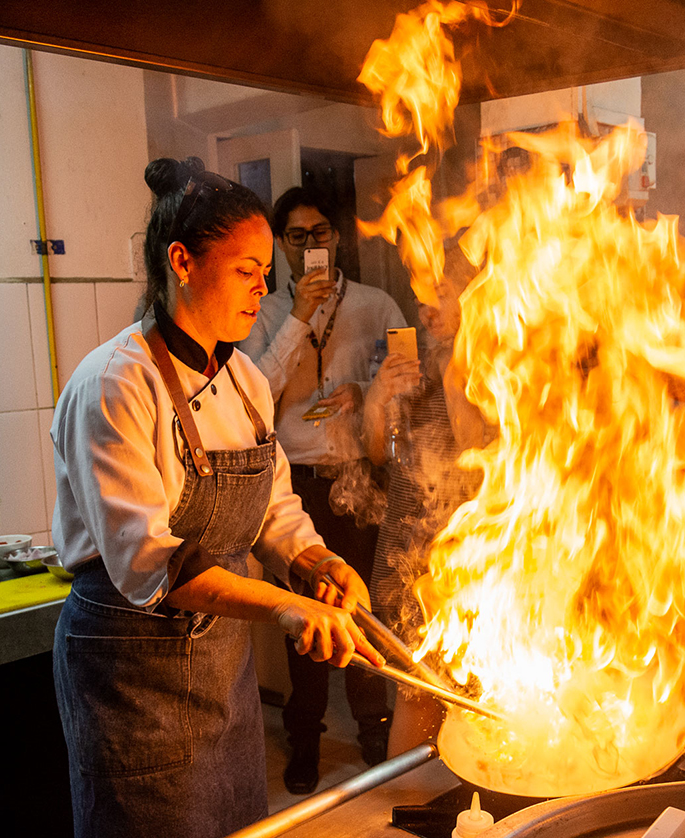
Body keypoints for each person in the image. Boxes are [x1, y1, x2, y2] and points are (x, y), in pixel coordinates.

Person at [49, 157, 383, 838]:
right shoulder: (116, 383)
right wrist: (287, 608)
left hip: (218, 667)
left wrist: (315, 564)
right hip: (132, 669)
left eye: (267, 270)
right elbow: (151, 565)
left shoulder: (245, 382)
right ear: (181, 261)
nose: (265, 287)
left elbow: (273, 509)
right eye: (246, 269)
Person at [238, 186, 407, 793]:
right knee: (306, 622)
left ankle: (372, 727)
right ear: (282, 245)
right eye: (297, 236)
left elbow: (404, 380)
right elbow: (251, 391)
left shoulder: (374, 303)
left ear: (337, 237)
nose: (311, 245)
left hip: (360, 481)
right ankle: (304, 736)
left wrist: (367, 394)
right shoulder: (260, 312)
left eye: (321, 233)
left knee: (363, 612)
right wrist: (298, 320)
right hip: (296, 489)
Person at [362, 245, 485, 757]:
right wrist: (379, 396)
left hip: (467, 554)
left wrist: (455, 372)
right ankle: (404, 815)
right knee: (416, 695)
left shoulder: (496, 360)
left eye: (439, 296)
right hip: (406, 547)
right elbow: (375, 453)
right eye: (421, 299)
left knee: (473, 699)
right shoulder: (404, 361)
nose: (426, 311)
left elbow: (479, 451)